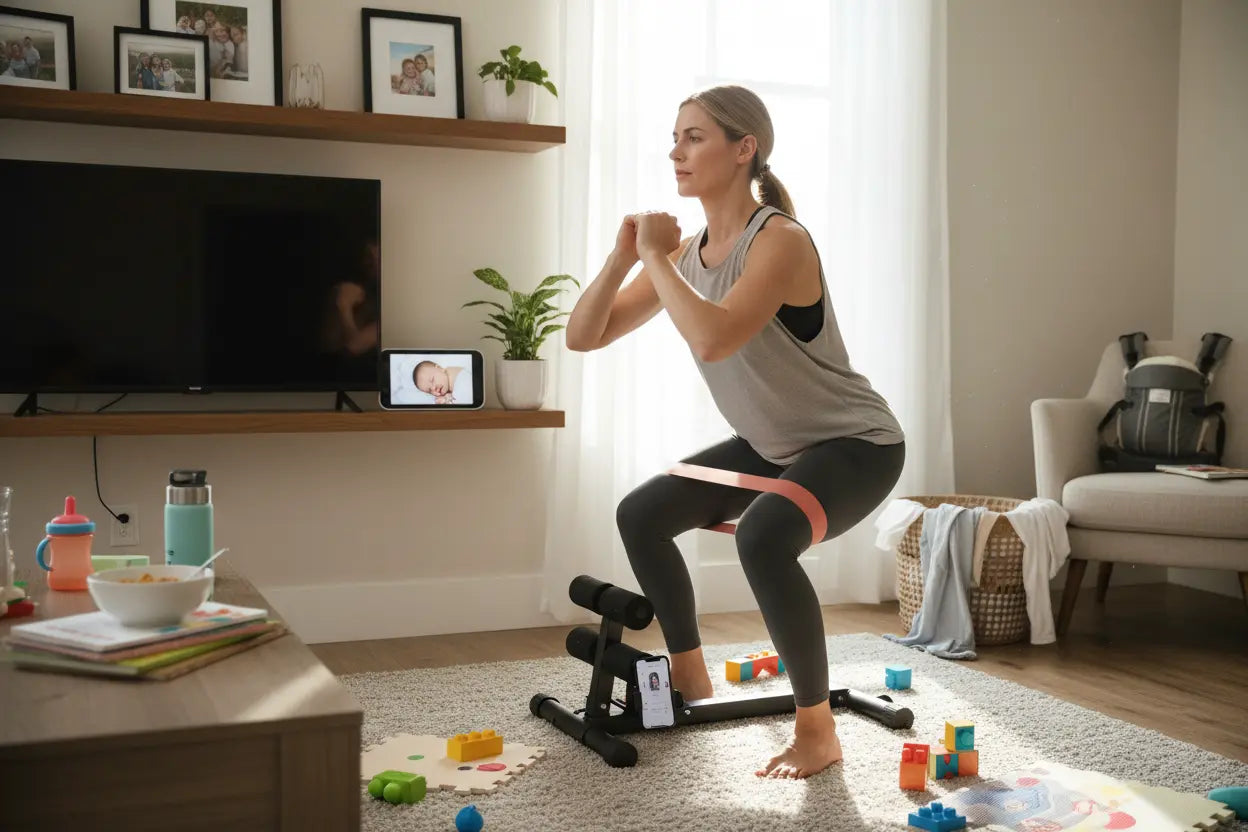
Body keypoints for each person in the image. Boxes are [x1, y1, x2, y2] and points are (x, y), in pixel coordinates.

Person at [564, 85, 906, 780]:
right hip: (772, 444)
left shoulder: (779, 240)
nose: (676, 151)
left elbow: (714, 338)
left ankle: (817, 731)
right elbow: (584, 335)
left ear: (744, 148)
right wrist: (625, 257)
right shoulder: (688, 253)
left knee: (764, 538)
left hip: (855, 444)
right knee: (642, 513)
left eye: (693, 137)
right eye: (675, 137)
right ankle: (690, 675)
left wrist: (656, 259)